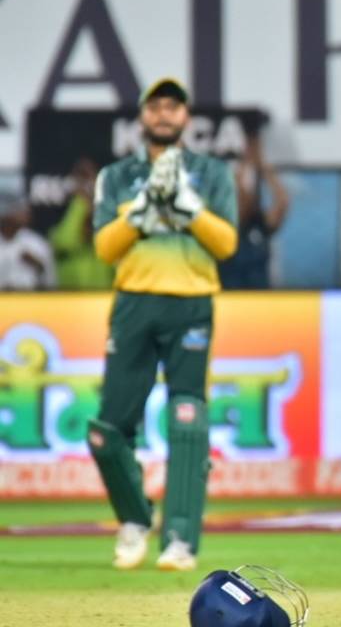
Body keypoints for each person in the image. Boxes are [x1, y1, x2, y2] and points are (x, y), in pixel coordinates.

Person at [88, 77, 238, 572]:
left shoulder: (212, 174)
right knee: (108, 429)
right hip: (134, 301)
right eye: (156, 107)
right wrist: (141, 213)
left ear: (186, 118)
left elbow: (226, 245)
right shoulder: (116, 176)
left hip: (191, 303)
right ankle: (134, 520)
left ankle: (180, 540)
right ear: (142, 117)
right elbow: (105, 248)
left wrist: (188, 211)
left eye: (173, 107)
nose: (164, 114)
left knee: (187, 420)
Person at [218, 134, 289, 289]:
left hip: (259, 301)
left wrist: (262, 166)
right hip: (227, 301)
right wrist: (240, 172)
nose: (243, 199)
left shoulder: (259, 224)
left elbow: (282, 202)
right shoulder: (219, 227)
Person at [49, 156, 114, 290]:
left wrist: (94, 201)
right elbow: (65, 243)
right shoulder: (61, 208)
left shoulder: (108, 210)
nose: (85, 182)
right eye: (80, 175)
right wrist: (79, 202)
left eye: (89, 176)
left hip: (102, 297)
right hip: (69, 296)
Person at [0, 193, 56, 290]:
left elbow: (51, 283)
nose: (26, 214)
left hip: (29, 301)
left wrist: (39, 266)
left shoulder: (37, 243)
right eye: (19, 210)